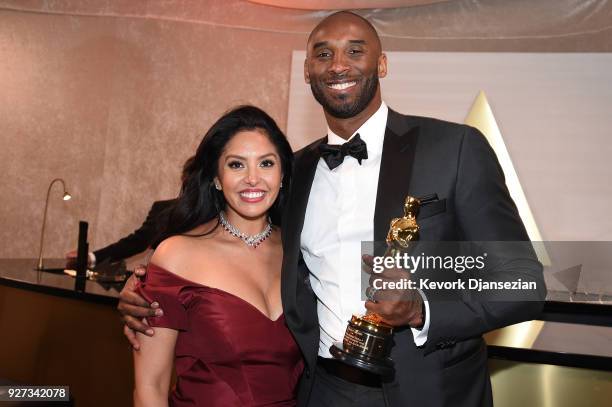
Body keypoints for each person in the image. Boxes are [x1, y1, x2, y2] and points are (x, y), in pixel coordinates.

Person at [119, 11, 545, 407]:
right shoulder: (292, 172)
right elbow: (238, 247)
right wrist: (147, 289)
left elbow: (524, 283)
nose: (339, 65)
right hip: (321, 391)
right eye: (323, 54)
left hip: (433, 392)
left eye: (355, 50)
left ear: (382, 64)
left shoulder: (454, 149)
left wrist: (421, 310)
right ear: (308, 71)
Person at [132, 105, 301, 406]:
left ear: (283, 174)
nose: (253, 178)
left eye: (266, 163)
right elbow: (150, 386)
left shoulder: (300, 254)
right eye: (237, 165)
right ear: (217, 178)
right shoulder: (176, 255)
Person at [64, 157, 195, 269]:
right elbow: (136, 242)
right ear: (184, 179)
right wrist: (92, 257)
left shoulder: (214, 218)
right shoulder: (163, 210)